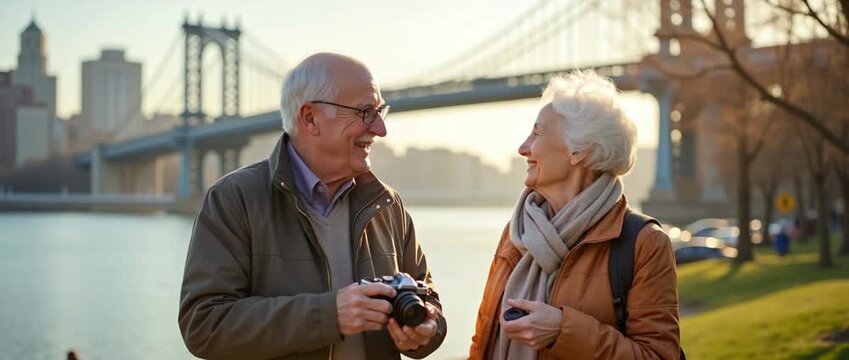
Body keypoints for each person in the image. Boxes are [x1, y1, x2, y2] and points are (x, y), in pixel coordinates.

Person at [179, 53, 447, 359]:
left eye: (380, 112)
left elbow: (430, 303)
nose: (380, 128)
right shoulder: (233, 199)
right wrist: (329, 316)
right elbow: (203, 325)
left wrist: (426, 328)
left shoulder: (389, 205)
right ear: (310, 118)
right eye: (365, 112)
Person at [468, 70, 680, 359]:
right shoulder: (516, 233)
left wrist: (563, 330)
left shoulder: (644, 243)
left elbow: (658, 355)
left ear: (579, 151)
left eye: (537, 133)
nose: (523, 148)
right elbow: (482, 342)